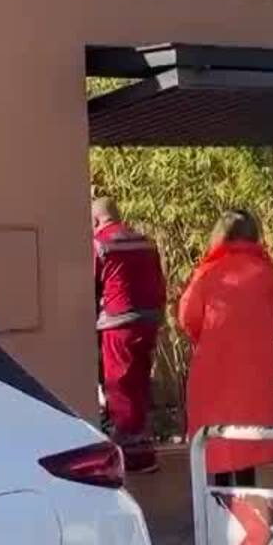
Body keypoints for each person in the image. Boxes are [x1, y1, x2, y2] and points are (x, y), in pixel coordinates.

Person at [178, 208, 273, 487]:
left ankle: (219, 505)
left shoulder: (206, 273)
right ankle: (246, 500)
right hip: (256, 370)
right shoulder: (267, 273)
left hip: (213, 368)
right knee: (248, 440)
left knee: (217, 439)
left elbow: (187, 319)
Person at [93, 196, 167, 474]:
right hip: (148, 320)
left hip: (118, 322)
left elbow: (91, 284)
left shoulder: (101, 244)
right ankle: (144, 449)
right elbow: (159, 280)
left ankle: (132, 457)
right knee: (139, 385)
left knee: (120, 387)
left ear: (97, 220)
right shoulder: (146, 242)